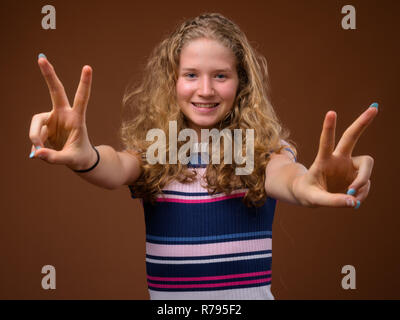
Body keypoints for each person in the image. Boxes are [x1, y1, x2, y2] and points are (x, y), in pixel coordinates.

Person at [28, 13, 377, 300]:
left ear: (241, 83)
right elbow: (114, 165)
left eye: (221, 76)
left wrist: (310, 184)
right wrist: (83, 153)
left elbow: (290, 177)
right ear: (173, 82)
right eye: (191, 75)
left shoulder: (258, 153)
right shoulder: (157, 152)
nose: (206, 90)